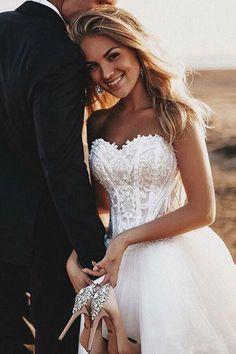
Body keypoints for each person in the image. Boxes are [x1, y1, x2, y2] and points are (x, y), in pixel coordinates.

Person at [67, 5, 236, 353]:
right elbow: (101, 205)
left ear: (136, 49)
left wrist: (125, 239)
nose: (107, 73)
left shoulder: (176, 115)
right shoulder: (97, 123)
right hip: (114, 267)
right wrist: (77, 250)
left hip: (172, 265)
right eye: (93, 66)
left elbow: (203, 210)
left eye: (114, 56)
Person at [0, 1, 116, 354]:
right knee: (59, 338)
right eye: (99, 0)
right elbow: (61, 163)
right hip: (42, 234)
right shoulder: (59, 52)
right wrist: (93, 254)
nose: (104, 8)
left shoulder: (3, 25)